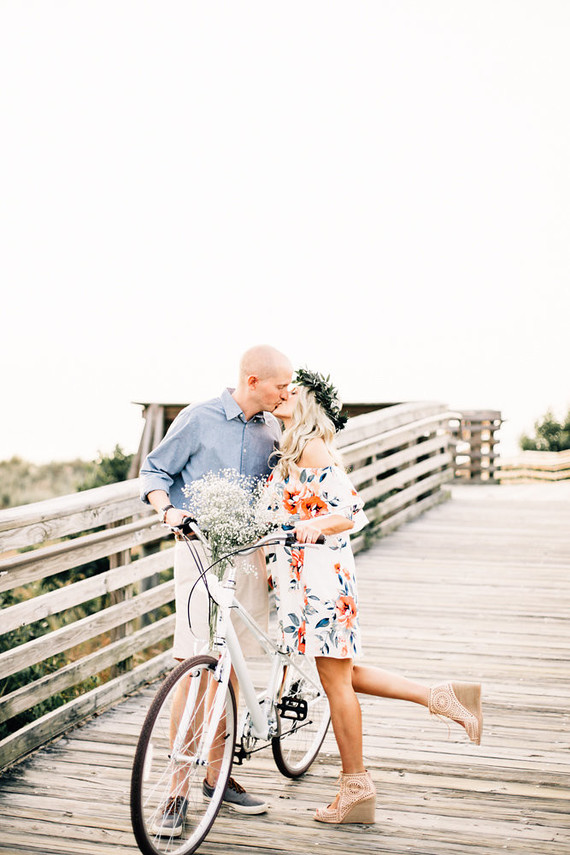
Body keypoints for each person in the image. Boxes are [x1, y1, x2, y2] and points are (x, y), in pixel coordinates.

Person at [268, 368, 483, 825]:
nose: (282, 394)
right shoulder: (293, 446)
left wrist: (314, 525)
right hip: (305, 578)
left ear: (306, 401)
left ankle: (357, 788)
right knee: (342, 674)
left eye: (290, 390)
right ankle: (442, 696)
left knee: (335, 681)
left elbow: (350, 512)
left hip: (322, 581)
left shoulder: (312, 446)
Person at [139, 344, 293, 829]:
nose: (287, 393)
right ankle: (175, 794)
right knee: (193, 668)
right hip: (199, 551)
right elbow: (154, 470)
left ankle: (217, 776)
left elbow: (284, 489)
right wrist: (168, 509)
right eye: (280, 385)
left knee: (231, 666)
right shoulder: (199, 418)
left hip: (248, 558)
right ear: (252, 381)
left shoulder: (274, 428)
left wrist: (272, 553)